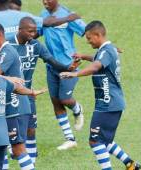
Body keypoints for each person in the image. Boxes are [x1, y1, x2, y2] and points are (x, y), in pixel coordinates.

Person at [60, 20, 141, 170]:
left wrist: (75, 74)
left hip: (108, 104)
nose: (88, 42)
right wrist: (84, 56)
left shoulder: (108, 50)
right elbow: (98, 59)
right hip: (108, 103)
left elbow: (97, 65)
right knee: (105, 140)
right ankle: (130, 165)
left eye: (89, 38)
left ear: (98, 35)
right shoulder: (106, 50)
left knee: (95, 141)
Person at [8, 16, 80, 164]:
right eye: (29, 31)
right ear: (19, 30)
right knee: (10, 128)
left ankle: (31, 162)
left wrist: (68, 68)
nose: (32, 34)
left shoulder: (36, 45)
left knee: (31, 129)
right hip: (9, 93)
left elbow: (52, 61)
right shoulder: (7, 45)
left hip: (28, 93)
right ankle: (10, 150)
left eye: (34, 31)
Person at [0, 22, 39, 170]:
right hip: (11, 107)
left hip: (15, 107)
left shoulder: (6, 52)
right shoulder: (0, 51)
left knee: (18, 149)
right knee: (2, 146)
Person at [39, 0, 86, 150]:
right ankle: (69, 138)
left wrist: (106, 46)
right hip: (51, 65)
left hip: (69, 65)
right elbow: (36, 32)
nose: (45, 1)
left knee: (65, 99)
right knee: (56, 101)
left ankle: (78, 109)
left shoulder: (67, 14)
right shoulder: (43, 15)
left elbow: (87, 30)